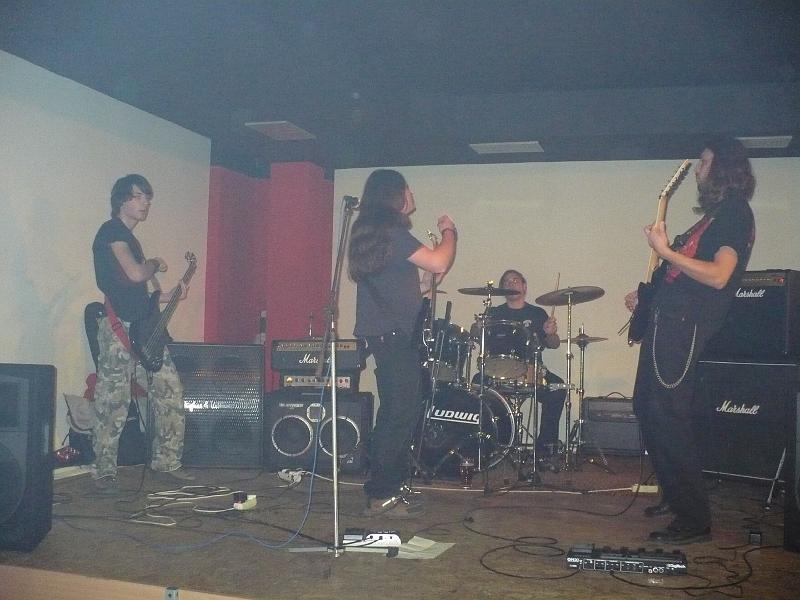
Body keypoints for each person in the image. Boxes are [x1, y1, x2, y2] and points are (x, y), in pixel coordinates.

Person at [625, 137, 756, 544]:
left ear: (723, 168)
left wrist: (666, 251)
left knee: (669, 417)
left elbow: (719, 275)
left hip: (683, 327)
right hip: (667, 321)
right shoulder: (715, 216)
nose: (698, 169)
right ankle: (675, 496)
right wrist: (647, 298)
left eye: (704, 162)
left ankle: (694, 519)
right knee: (647, 408)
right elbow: (683, 274)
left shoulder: (734, 213)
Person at [348, 169, 456, 518]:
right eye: (407, 190)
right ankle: (381, 494)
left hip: (388, 335)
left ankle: (389, 488)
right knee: (397, 415)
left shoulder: (379, 235)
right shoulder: (393, 233)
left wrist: (428, 282)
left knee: (398, 412)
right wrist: (450, 232)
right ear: (394, 195)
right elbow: (439, 258)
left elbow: (412, 287)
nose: (412, 196)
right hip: (393, 336)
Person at [91, 174, 193, 494]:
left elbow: (135, 289)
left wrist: (168, 295)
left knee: (170, 391)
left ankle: (166, 463)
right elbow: (136, 273)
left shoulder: (130, 239)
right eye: (138, 196)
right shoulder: (112, 231)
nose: (145, 202)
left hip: (144, 328)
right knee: (113, 401)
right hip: (118, 328)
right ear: (122, 200)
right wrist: (155, 263)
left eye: (147, 197)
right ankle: (104, 471)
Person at [479, 269, 566, 454]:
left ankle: (544, 449)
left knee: (558, 388)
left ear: (524, 286)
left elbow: (554, 344)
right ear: (502, 289)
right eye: (506, 282)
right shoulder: (493, 313)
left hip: (532, 372)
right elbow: (477, 337)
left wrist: (551, 334)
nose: (511, 284)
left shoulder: (537, 313)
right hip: (498, 372)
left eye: (515, 280)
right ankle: (492, 447)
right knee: (476, 385)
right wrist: (476, 328)